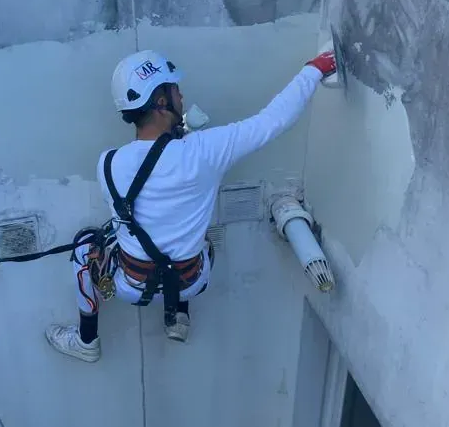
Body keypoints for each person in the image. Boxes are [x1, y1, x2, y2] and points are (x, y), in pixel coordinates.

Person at [45, 47, 336, 362]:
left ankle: (86, 340)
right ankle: (176, 314)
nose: (181, 96)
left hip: (130, 285)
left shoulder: (108, 163)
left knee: (86, 242)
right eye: (174, 90)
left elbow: (149, 186)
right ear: (160, 102)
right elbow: (273, 121)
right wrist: (316, 68)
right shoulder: (205, 151)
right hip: (193, 282)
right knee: (195, 230)